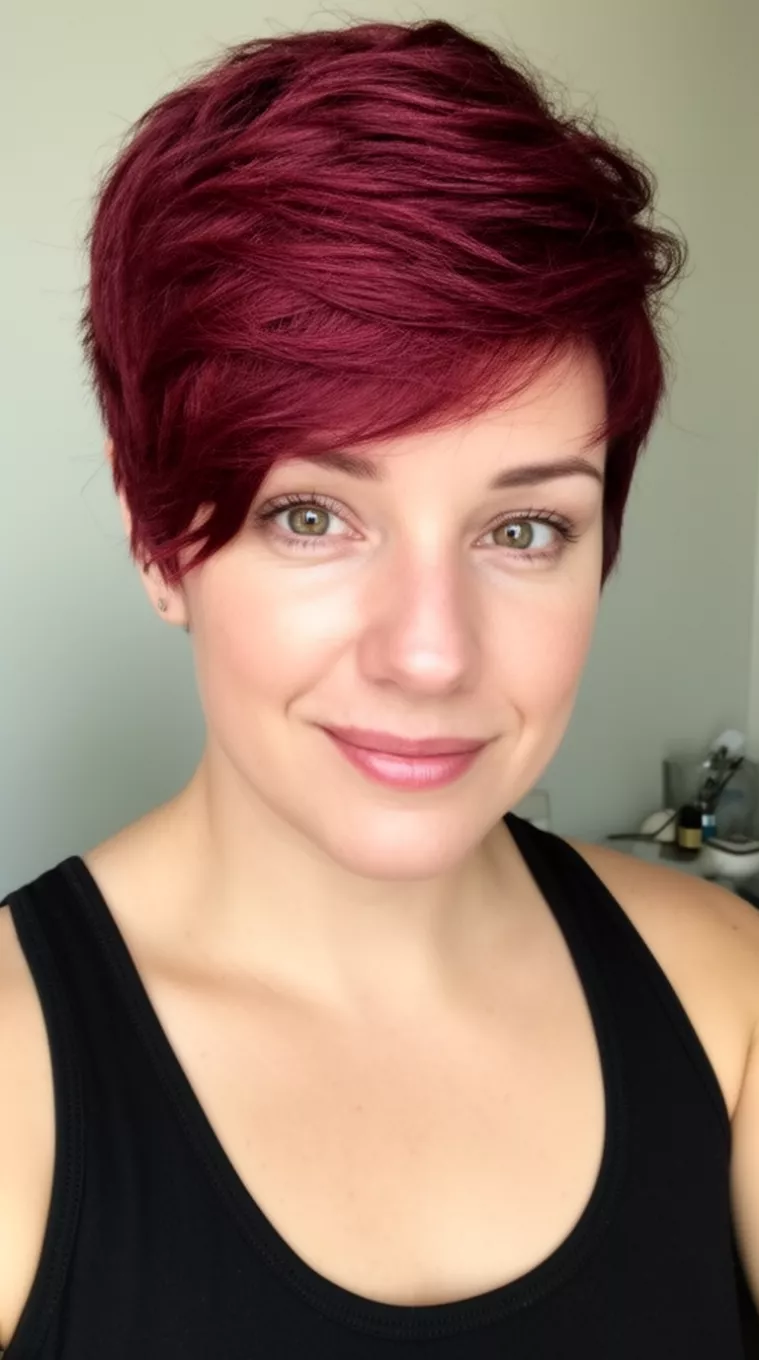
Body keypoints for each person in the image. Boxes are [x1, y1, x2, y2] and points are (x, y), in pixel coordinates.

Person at [1, 17, 758, 1358]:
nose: (429, 652)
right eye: (311, 515)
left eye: (522, 530)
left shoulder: (730, 1009)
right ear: (158, 537)